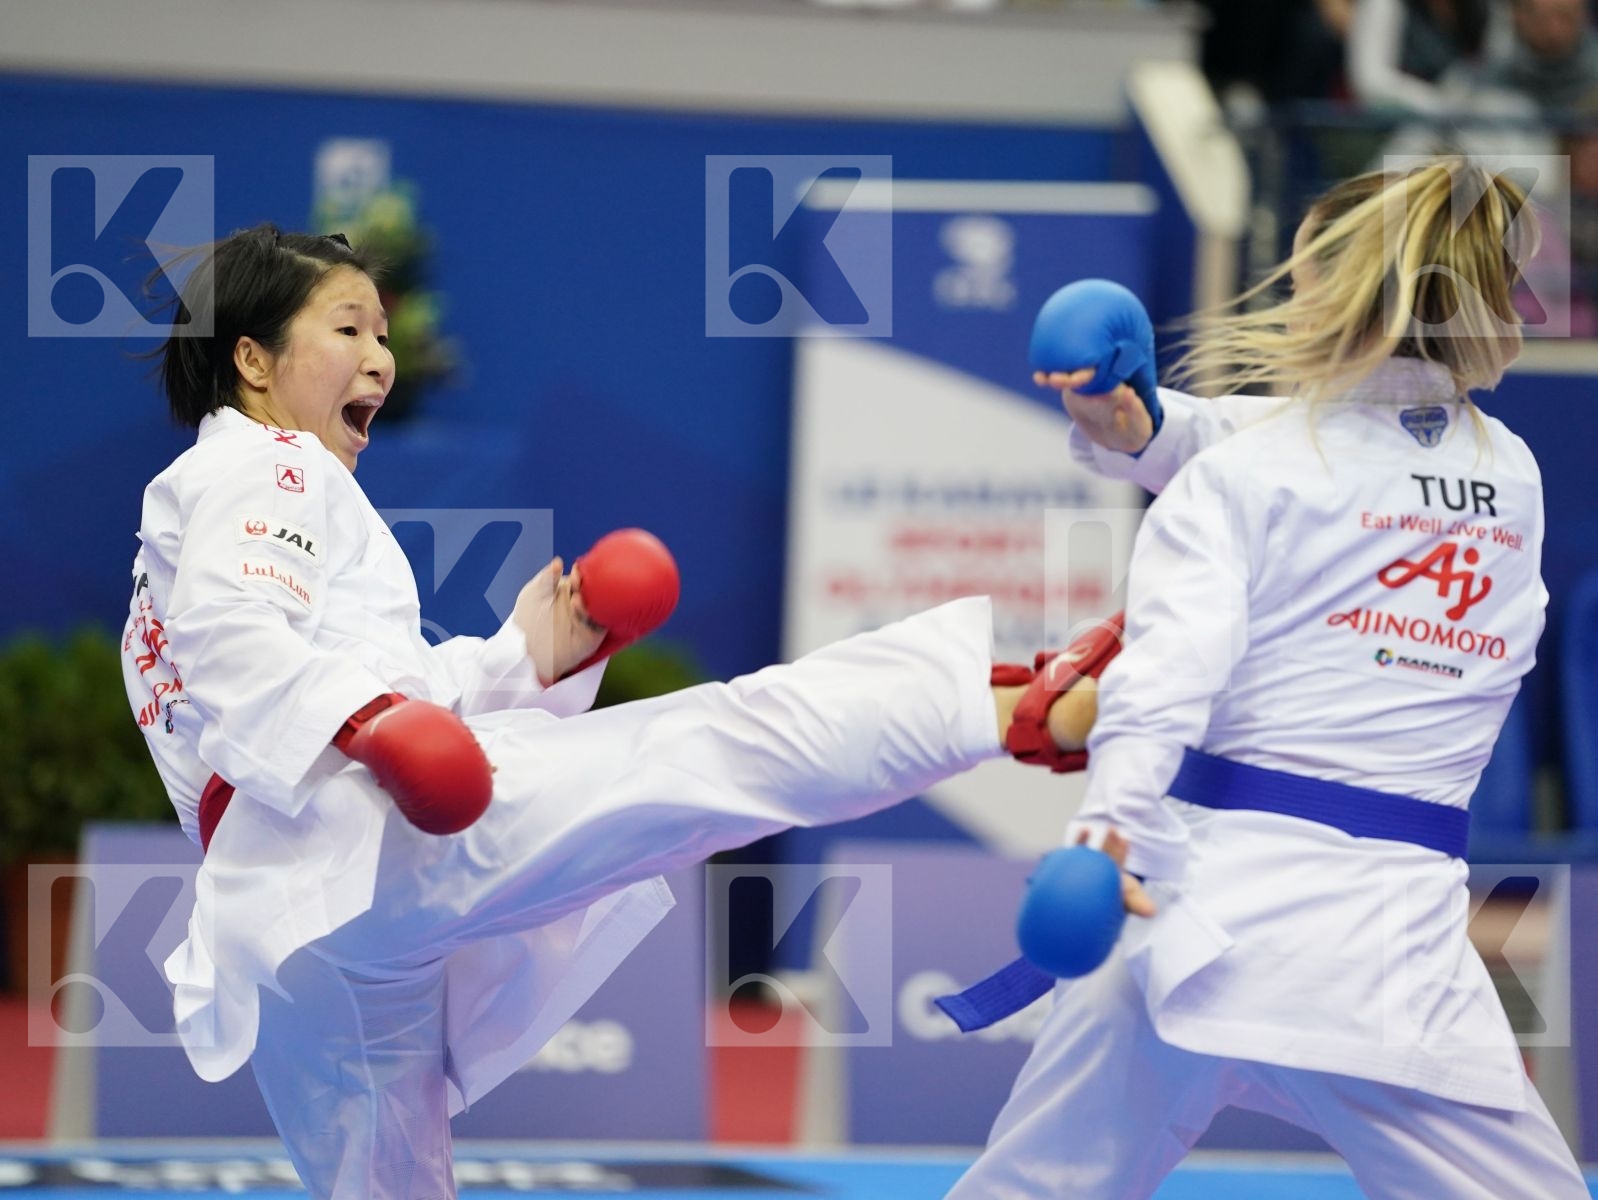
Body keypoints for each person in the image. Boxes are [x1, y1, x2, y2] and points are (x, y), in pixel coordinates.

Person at [121, 224, 1095, 1199]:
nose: (379, 357)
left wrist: (529, 657)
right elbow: (240, 640)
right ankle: (1000, 701)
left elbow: (328, 688)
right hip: (357, 850)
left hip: (289, 928)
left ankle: (995, 702)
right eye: (348, 329)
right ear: (250, 358)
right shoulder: (272, 470)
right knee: (706, 749)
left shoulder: (205, 510)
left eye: (382, 332)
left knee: (384, 1186)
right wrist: (377, 724)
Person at [946, 159, 1590, 1197]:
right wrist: (1144, 428)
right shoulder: (1509, 476)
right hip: (1378, 956)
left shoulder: (1240, 477)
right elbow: (1335, 450)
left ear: (1337, 297)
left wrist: (1100, 832)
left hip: (1180, 927)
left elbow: (1164, 679)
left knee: (1030, 1189)